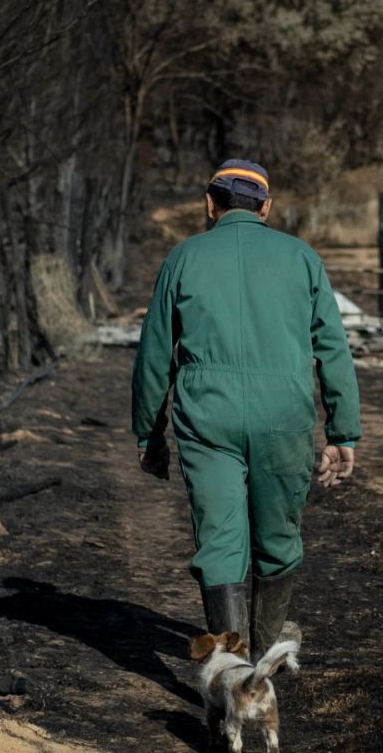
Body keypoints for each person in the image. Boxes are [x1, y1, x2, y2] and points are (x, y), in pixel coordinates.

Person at [131, 159, 360, 659]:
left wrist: (149, 433)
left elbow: (153, 354)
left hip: (207, 419)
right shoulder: (302, 258)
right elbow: (334, 349)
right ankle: (265, 652)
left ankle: (232, 671)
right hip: (284, 418)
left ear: (209, 204)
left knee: (219, 544)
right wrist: (343, 433)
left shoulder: (183, 258)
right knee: (277, 538)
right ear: (266, 208)